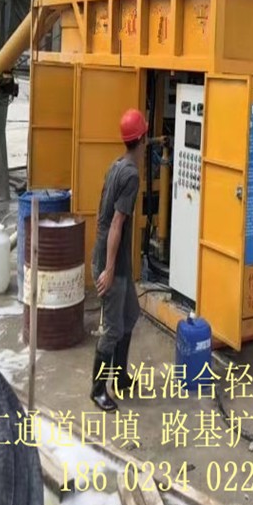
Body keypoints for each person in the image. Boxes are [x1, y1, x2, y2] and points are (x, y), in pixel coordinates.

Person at [90, 107, 148, 411]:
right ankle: (98, 389)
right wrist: (109, 269)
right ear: (142, 139)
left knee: (131, 314)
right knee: (113, 327)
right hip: (110, 259)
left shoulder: (117, 165)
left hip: (115, 256)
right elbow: (116, 223)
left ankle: (120, 377)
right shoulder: (131, 176)